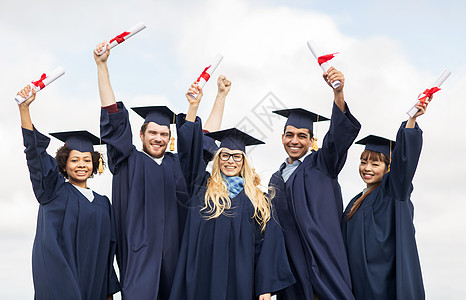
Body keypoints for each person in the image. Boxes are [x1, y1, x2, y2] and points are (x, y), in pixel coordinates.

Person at [94, 41, 230, 299]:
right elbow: (113, 118)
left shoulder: (178, 165)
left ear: (171, 138)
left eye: (164, 134)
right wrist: (102, 66)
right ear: (141, 134)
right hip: (137, 261)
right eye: (153, 133)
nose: (158, 138)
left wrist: (218, 97)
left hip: (175, 263)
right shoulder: (126, 161)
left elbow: (205, 141)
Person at [169, 83, 295, 300]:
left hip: (240, 281)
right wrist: (193, 108)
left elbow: (268, 245)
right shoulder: (201, 187)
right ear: (217, 159)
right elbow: (189, 155)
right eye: (225, 155)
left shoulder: (259, 200)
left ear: (244, 161)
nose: (230, 161)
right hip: (201, 279)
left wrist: (265, 287)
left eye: (237, 156)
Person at [17, 86, 120, 300]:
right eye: (74, 160)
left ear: (94, 164)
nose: (81, 165)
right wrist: (24, 110)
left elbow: (108, 251)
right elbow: (35, 156)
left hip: (95, 288)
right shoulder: (53, 191)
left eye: (86, 160)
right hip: (62, 285)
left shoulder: (103, 203)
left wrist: (109, 292)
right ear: (63, 164)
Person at [269, 67, 361, 300]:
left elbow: (338, 138)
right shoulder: (274, 180)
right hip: (292, 269)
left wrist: (338, 94)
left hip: (324, 261)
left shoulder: (323, 164)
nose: (295, 140)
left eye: (302, 136)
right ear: (282, 138)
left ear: (312, 140)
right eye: (290, 135)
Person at [341, 99, 430, 299]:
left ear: (388, 168)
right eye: (363, 162)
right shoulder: (355, 201)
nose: (367, 168)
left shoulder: (393, 191)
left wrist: (411, 120)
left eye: (375, 164)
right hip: (356, 285)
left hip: (384, 284)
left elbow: (404, 163)